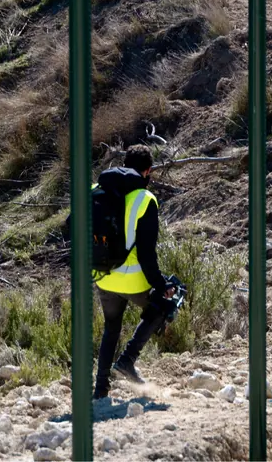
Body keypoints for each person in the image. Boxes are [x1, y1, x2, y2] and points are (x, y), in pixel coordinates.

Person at [92, 144, 177, 401]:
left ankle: (100, 390)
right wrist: (162, 286)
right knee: (162, 307)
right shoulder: (145, 199)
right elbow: (146, 255)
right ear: (148, 171)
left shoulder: (96, 190)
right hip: (133, 280)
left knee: (111, 328)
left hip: (103, 277)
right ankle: (127, 361)